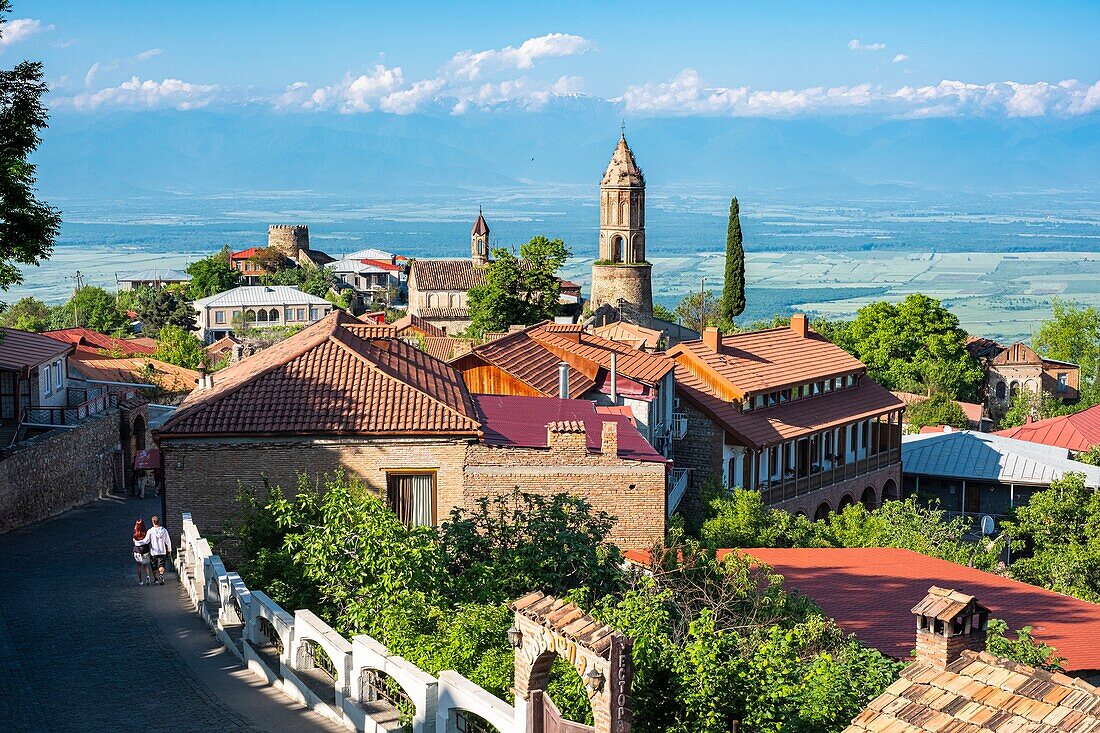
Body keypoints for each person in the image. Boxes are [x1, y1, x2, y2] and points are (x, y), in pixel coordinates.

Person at [146, 515, 173, 586]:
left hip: (154, 551)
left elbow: (146, 541)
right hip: (162, 550)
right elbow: (168, 541)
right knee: (161, 564)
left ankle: (156, 579)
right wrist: (169, 549)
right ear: (159, 522)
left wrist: (137, 542)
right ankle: (161, 575)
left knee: (154, 565)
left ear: (152, 522)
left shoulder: (150, 531)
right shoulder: (164, 530)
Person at [133, 519, 153, 586]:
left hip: (137, 551)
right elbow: (148, 541)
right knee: (146, 565)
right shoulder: (146, 534)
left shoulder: (135, 535)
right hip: (145, 551)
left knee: (139, 566)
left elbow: (134, 542)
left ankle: (141, 581)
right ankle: (148, 577)